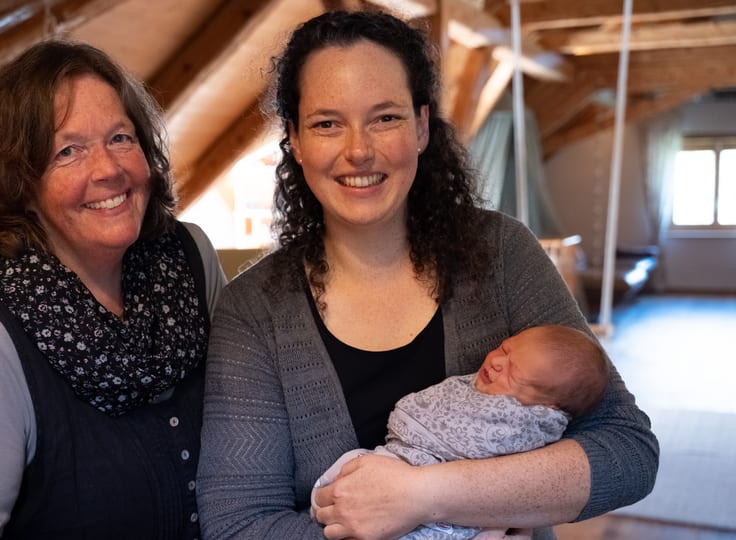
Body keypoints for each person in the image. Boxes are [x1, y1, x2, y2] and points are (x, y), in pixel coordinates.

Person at [196, 10, 657, 540]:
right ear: (296, 142)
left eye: (385, 117)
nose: (358, 150)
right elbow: (237, 524)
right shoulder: (253, 310)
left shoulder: (502, 252)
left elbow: (628, 452)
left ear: (420, 127)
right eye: (326, 123)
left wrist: (424, 494)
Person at [0, 40, 226, 540]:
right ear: (20, 184)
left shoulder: (190, 259)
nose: (108, 169)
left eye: (121, 138)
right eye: (68, 151)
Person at [311, 325, 609, 540]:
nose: (495, 361)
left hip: (456, 514)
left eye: (513, 372)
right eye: (505, 348)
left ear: (547, 406)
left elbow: (626, 453)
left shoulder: (525, 423)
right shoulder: (480, 384)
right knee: (351, 466)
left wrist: (421, 492)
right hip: (394, 463)